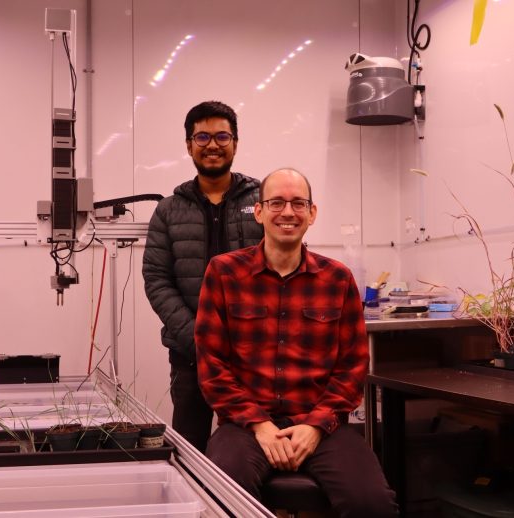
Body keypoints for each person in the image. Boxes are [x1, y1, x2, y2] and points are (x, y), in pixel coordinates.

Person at [195, 168, 398, 517]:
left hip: (321, 426)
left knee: (373, 505)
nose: (287, 212)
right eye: (276, 202)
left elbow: (352, 366)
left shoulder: (337, 279)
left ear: (312, 213)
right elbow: (212, 364)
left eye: (298, 203)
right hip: (245, 426)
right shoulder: (224, 273)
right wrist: (259, 425)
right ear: (259, 211)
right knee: (221, 496)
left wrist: (315, 426)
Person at [143, 101, 263, 453]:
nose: (213, 144)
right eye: (203, 136)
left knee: (253, 447)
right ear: (189, 145)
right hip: (189, 356)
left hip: (255, 354)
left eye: (222, 135)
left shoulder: (263, 200)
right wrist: (198, 340)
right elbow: (156, 279)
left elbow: (284, 267)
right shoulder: (168, 210)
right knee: (190, 450)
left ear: (236, 142)